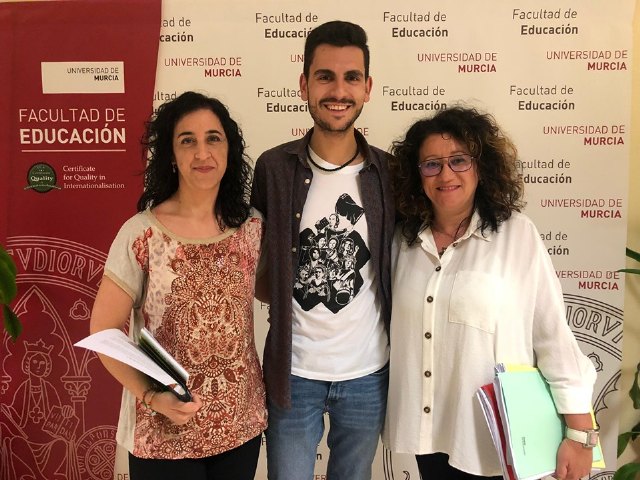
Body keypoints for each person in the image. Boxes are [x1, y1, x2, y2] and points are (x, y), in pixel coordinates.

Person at [383, 106, 597, 480]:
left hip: (493, 439)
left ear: (481, 167)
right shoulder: (402, 242)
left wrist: (580, 435)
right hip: (427, 435)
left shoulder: (516, 235)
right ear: (417, 175)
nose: (445, 174)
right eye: (431, 164)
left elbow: (551, 334)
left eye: (459, 160)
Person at [89, 91, 267, 480]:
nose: (202, 152)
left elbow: (272, 293)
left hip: (240, 425)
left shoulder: (252, 226)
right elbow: (104, 330)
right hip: (163, 434)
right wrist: (152, 397)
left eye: (213, 138)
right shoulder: (142, 233)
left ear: (229, 149)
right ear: (171, 154)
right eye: (188, 140)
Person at [251, 20, 395, 480]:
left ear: (368, 87)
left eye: (352, 77)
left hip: (368, 373)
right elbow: (255, 265)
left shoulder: (390, 174)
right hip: (293, 373)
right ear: (304, 85)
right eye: (325, 77)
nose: (339, 91)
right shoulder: (273, 168)